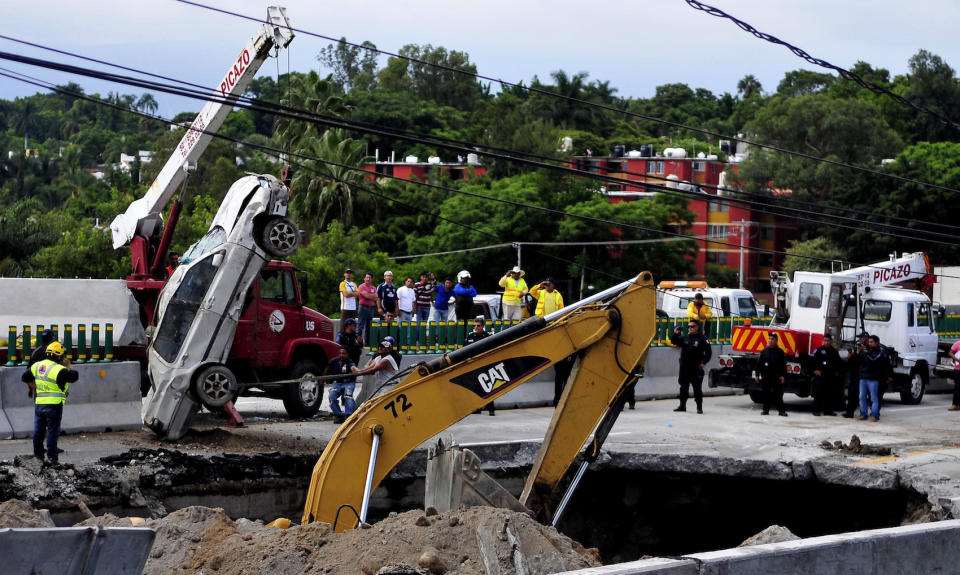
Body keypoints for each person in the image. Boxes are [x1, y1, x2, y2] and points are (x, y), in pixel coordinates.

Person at [21, 341, 78, 464]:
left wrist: (35, 387)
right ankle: (52, 458)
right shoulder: (59, 369)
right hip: (54, 405)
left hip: (40, 404)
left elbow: (25, 377)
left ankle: (38, 457)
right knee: (52, 432)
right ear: (59, 356)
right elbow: (74, 376)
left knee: (38, 432)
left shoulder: (37, 366)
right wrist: (68, 365)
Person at [670, 319, 711, 414]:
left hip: (696, 367)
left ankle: (699, 407)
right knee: (683, 387)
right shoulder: (685, 338)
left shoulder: (703, 339)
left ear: (697, 327)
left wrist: (703, 363)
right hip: (684, 367)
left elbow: (708, 353)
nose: (690, 328)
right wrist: (676, 333)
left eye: (692, 326)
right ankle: (682, 406)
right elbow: (674, 341)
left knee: (697, 388)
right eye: (689, 326)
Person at [464, 316, 495, 415]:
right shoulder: (470, 337)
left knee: (488, 387)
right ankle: (477, 408)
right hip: (473, 365)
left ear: (483, 326)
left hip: (485, 365)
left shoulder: (487, 336)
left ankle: (491, 409)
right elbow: (464, 351)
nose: (476, 328)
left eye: (478, 326)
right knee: (475, 387)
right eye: (474, 326)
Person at [858, 335, 892, 422]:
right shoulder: (866, 351)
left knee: (874, 398)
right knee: (862, 396)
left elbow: (874, 358)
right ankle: (863, 414)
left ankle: (874, 415)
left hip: (873, 379)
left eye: (871, 342)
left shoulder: (880, 352)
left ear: (877, 343)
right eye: (869, 342)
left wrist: (866, 352)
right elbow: (858, 361)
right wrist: (858, 352)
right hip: (863, 377)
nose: (869, 343)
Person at [355, 340, 400, 405]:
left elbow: (372, 370)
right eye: (380, 346)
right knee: (371, 401)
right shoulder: (378, 358)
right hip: (384, 385)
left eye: (383, 347)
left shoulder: (387, 359)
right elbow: (369, 368)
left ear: (388, 350)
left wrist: (358, 374)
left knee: (376, 403)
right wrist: (358, 372)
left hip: (392, 385)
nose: (380, 348)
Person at [754, 333, 788, 416]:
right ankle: (765, 410)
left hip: (776, 377)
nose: (770, 341)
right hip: (766, 376)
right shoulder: (764, 351)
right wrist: (757, 375)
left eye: (772, 339)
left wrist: (783, 376)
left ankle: (781, 411)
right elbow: (759, 364)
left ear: (776, 341)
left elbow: (783, 366)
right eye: (769, 339)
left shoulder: (780, 352)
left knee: (778, 395)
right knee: (766, 394)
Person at [810, 333, 842, 416]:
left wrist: (837, 372)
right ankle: (816, 410)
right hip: (821, 375)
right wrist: (814, 370)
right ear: (822, 341)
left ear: (831, 341)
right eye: (825, 341)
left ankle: (828, 411)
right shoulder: (818, 350)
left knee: (830, 394)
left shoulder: (834, 351)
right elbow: (811, 362)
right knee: (819, 393)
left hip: (830, 376)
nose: (826, 342)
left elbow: (838, 363)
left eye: (828, 341)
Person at [325, 347, 358, 424]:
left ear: (347, 354)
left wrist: (358, 371)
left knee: (348, 396)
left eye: (343, 353)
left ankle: (349, 416)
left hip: (349, 383)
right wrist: (322, 380)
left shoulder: (350, 362)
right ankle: (339, 415)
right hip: (337, 383)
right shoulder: (334, 361)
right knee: (331, 397)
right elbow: (327, 368)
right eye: (340, 353)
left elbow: (353, 368)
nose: (341, 355)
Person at [843, 332, 870, 418]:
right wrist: (850, 357)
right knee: (852, 394)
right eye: (860, 338)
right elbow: (852, 363)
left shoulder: (868, 349)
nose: (860, 340)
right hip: (854, 374)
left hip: (863, 375)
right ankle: (849, 412)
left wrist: (858, 353)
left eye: (862, 338)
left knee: (861, 395)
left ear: (866, 338)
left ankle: (867, 413)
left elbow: (861, 361)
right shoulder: (857, 348)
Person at [357, 272, 378, 342]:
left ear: (371, 279)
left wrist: (369, 295)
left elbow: (376, 298)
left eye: (369, 278)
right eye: (367, 277)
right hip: (363, 307)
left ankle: (367, 342)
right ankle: (358, 342)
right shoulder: (361, 286)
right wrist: (371, 295)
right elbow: (366, 295)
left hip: (371, 308)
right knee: (360, 325)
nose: (368, 279)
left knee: (369, 326)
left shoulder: (374, 288)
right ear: (364, 278)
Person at [950, 338, 960, 411]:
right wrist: (957, 359)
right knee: (957, 387)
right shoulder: (957, 344)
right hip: (957, 369)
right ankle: (954, 404)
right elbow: (950, 353)